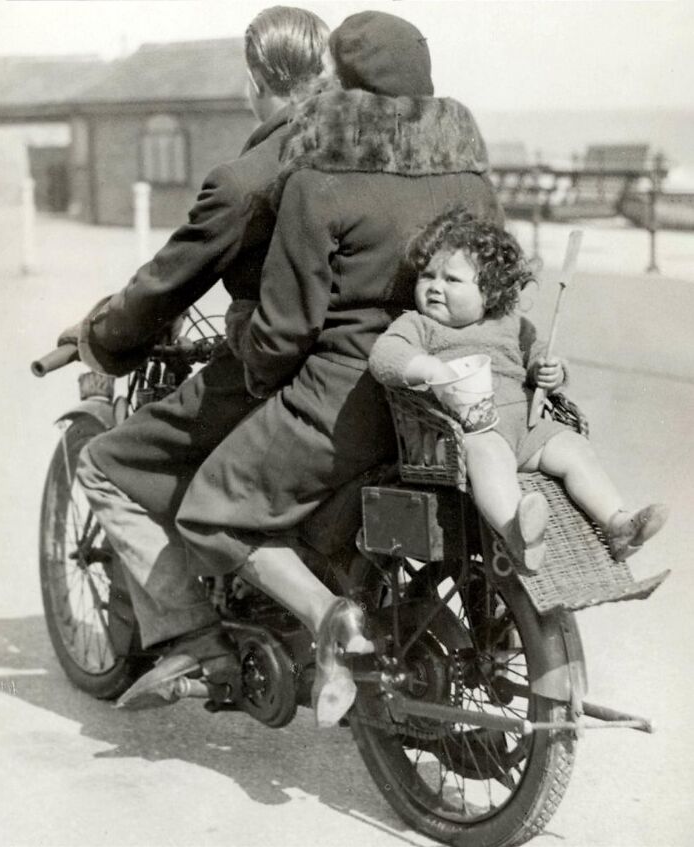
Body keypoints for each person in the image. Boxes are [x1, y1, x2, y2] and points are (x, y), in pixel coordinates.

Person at [169, 11, 503, 726]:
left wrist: (247, 351)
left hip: (344, 402)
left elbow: (284, 331)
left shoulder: (318, 180)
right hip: (445, 399)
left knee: (209, 510)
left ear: (341, 88)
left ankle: (329, 618)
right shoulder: (470, 180)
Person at [57, 7, 331, 690]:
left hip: (269, 369)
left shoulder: (248, 176)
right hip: (353, 366)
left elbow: (168, 281)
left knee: (105, 463)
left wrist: (100, 336)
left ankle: (195, 639)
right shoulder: (358, 150)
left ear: (255, 79)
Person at [368, 205, 668, 570]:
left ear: (490, 291)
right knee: (489, 452)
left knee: (573, 447)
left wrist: (550, 371)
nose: (434, 287)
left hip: (525, 431)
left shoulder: (510, 324)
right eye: (427, 276)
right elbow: (385, 356)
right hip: (465, 436)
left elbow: (538, 353)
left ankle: (616, 523)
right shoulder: (419, 326)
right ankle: (517, 530)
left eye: (452, 280)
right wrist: (428, 367)